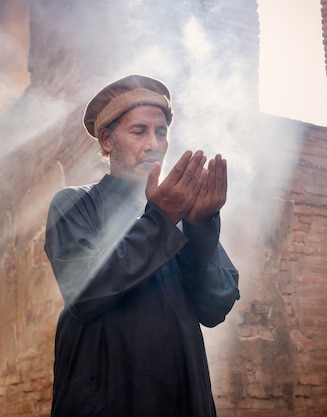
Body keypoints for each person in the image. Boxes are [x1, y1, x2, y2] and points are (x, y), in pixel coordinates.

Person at [44, 74, 240, 417]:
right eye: (139, 131)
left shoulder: (181, 214)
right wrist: (161, 219)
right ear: (107, 139)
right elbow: (86, 294)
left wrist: (201, 225)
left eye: (161, 132)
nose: (154, 143)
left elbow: (215, 306)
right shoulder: (76, 203)